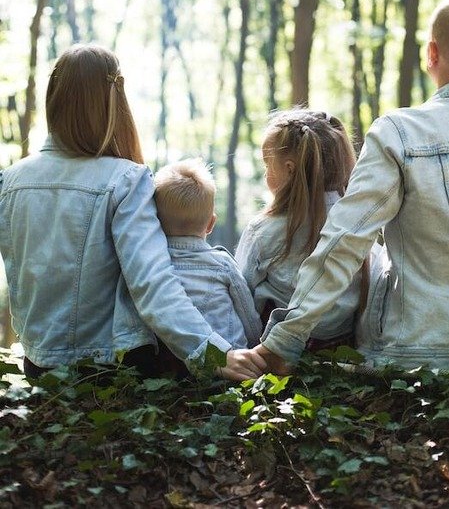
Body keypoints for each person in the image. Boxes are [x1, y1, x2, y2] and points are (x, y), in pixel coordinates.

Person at [253, 0, 449, 372]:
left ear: (431, 53)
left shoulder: (399, 132)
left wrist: (284, 341)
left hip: (415, 356)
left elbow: (345, 241)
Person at [0, 44, 266, 381]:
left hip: (38, 366)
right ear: (114, 102)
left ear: (53, 96)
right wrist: (212, 353)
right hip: (109, 369)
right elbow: (152, 283)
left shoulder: (9, 180)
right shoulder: (125, 179)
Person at [235, 109, 379, 349]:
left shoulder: (263, 230)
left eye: (268, 165)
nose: (265, 174)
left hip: (278, 349)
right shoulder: (358, 222)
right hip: (342, 345)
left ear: (290, 169)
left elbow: (242, 293)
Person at [153, 158, 262, 354]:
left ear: (155, 221)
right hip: (232, 357)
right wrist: (255, 346)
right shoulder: (222, 264)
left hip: (175, 365)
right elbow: (248, 315)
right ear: (211, 224)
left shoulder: (151, 266)